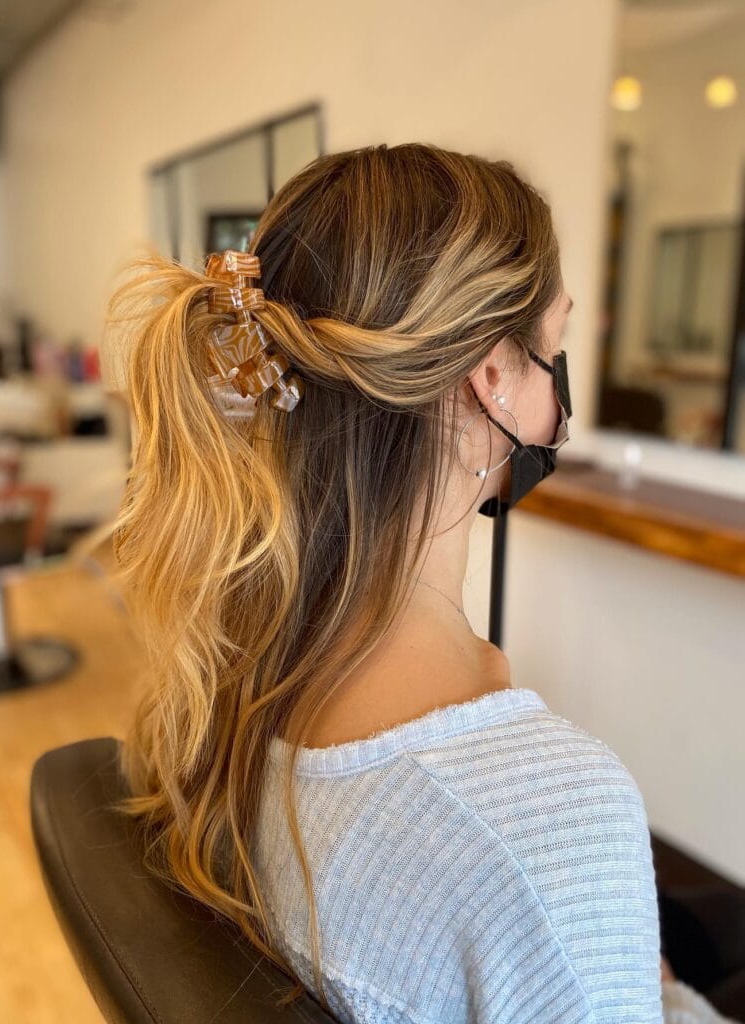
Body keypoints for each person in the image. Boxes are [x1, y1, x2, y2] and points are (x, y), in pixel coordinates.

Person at [104, 143, 736, 1023]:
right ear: (490, 381)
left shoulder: (230, 672)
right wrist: (662, 995)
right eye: (551, 350)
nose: (558, 400)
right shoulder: (550, 829)